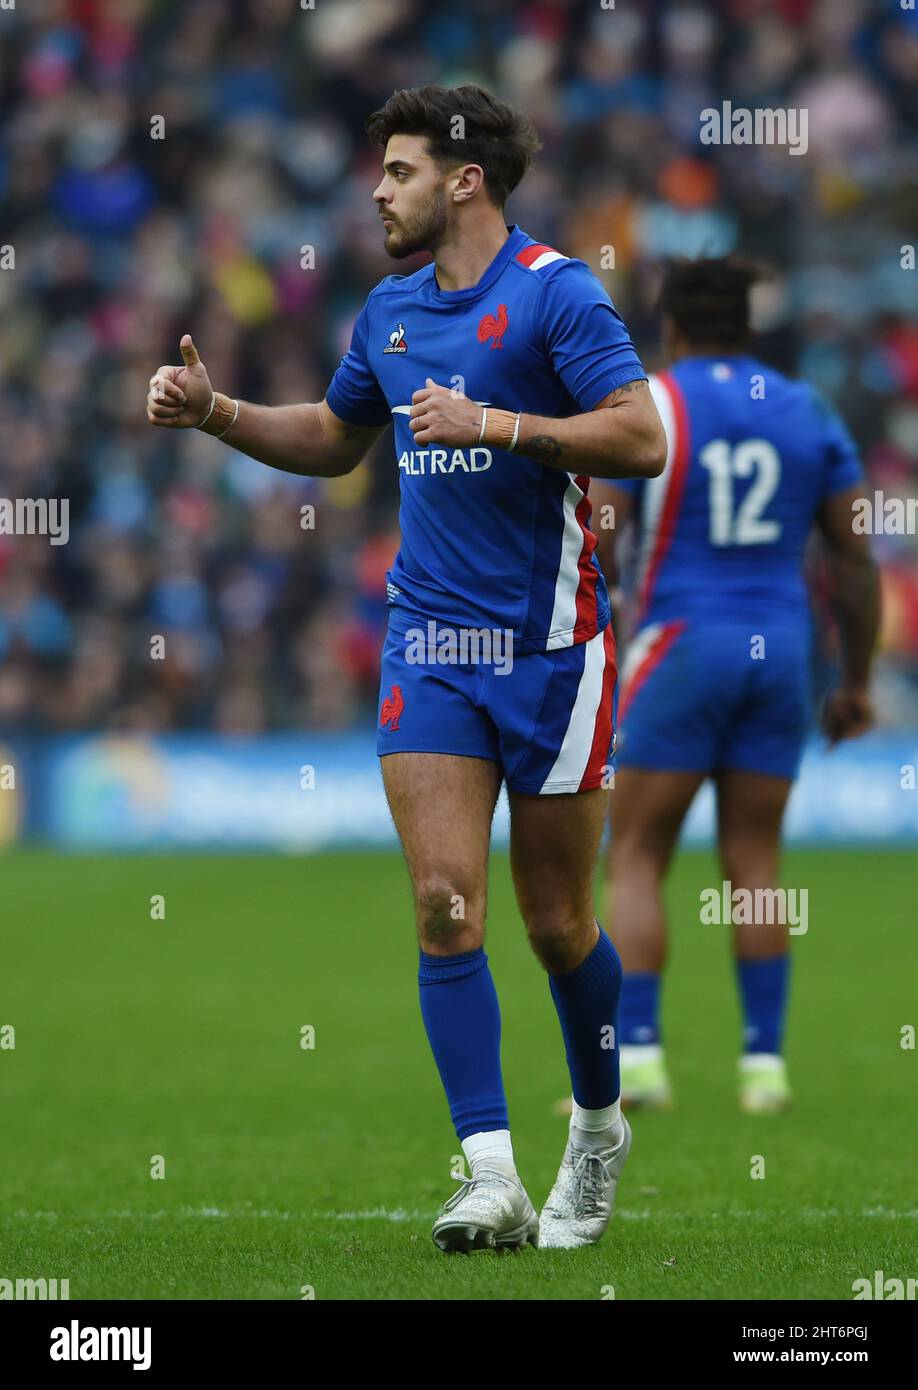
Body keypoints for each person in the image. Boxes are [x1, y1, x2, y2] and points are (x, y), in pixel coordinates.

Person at [146, 83, 665, 1251]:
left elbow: (642, 436)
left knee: (558, 923)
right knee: (443, 907)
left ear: (463, 179)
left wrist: (500, 425)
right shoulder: (386, 311)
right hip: (430, 643)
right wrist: (217, 409)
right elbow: (337, 437)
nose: (378, 191)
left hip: (551, 652)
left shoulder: (556, 295)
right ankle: (491, 1171)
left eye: (398, 172)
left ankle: (597, 1123)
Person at [590, 257, 879, 1115]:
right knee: (756, 860)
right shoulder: (806, 410)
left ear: (670, 327)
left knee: (637, 853)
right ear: (749, 328)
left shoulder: (653, 405)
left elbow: (601, 531)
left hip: (681, 641)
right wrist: (855, 680)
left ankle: (638, 1060)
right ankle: (764, 1068)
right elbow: (855, 559)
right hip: (781, 651)